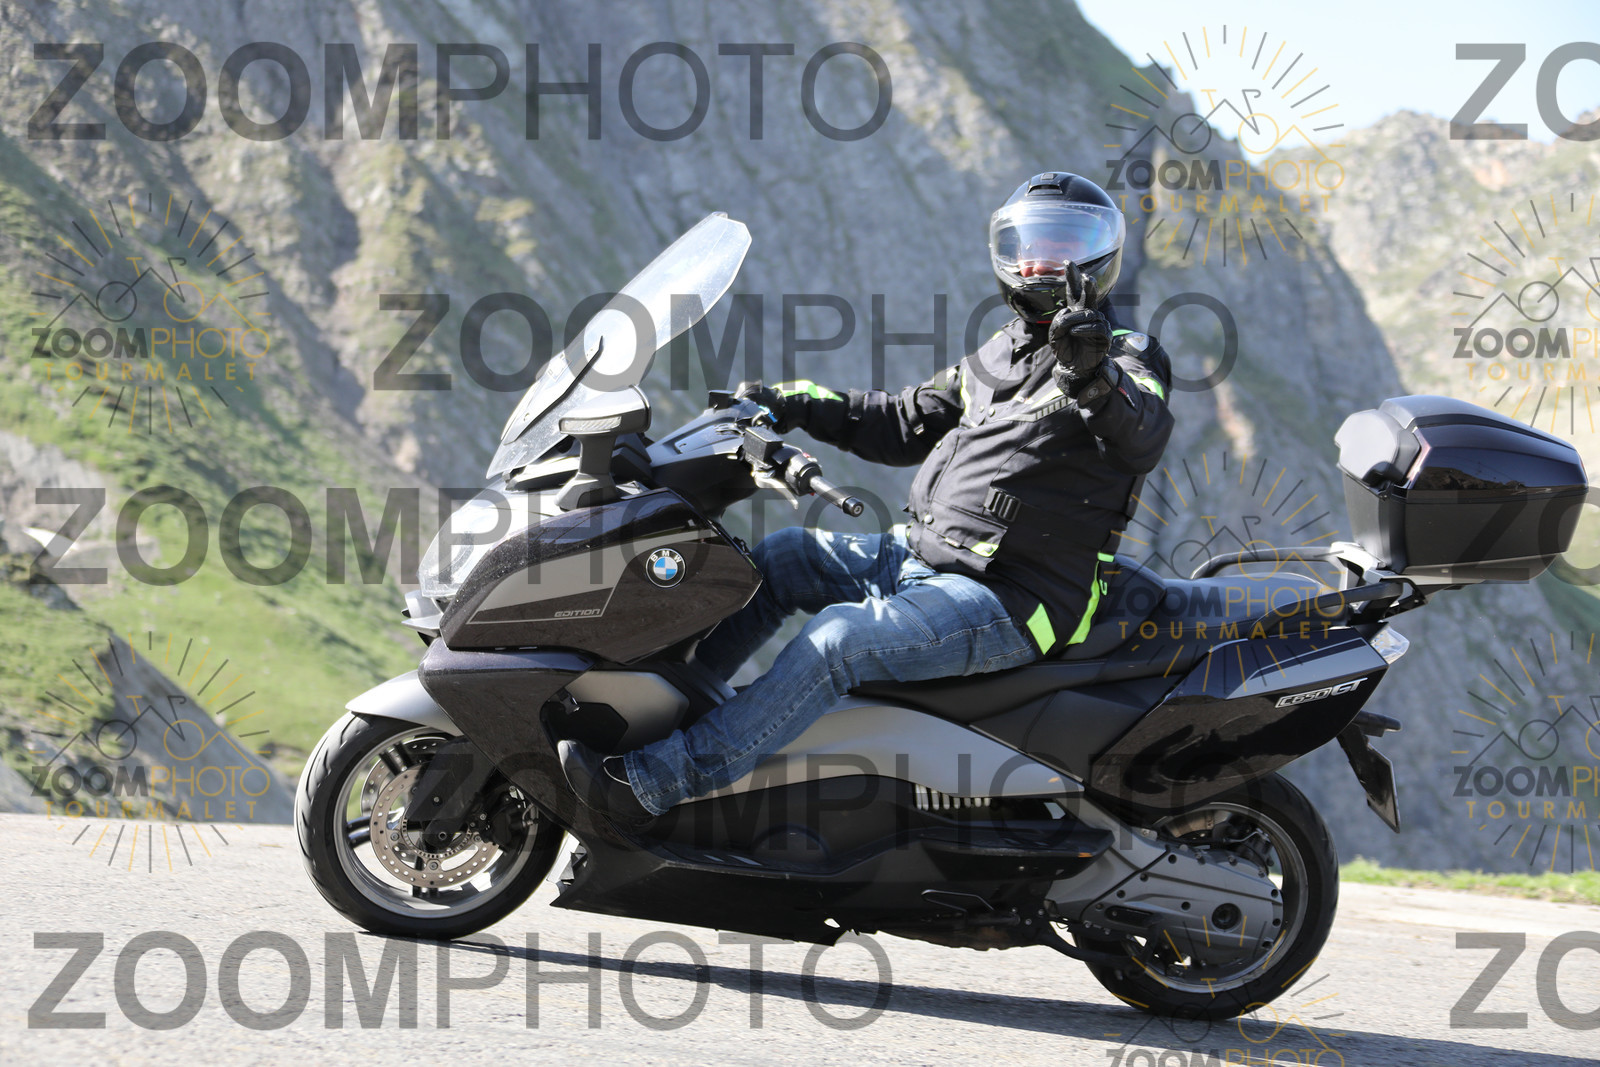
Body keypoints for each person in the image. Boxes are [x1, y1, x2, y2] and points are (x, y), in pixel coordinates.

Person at [560, 171, 1175, 828]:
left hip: (1014, 599)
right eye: (1029, 245)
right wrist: (793, 402)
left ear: (1097, 258)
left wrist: (1094, 378)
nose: (1040, 264)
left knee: (839, 641)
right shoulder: (1001, 350)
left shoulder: (1127, 354)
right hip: (917, 556)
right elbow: (902, 421)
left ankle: (655, 784)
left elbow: (1142, 434)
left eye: (1063, 246)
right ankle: (668, 717)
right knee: (779, 558)